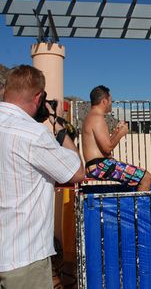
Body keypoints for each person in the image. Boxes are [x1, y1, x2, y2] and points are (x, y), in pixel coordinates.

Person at [0, 65, 85, 289]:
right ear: (38, 97)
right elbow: (76, 172)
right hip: (22, 257)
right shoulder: (33, 134)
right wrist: (59, 127)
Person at [82, 85, 151, 191]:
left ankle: (133, 205)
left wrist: (116, 132)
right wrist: (121, 134)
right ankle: (141, 208)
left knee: (133, 183)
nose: (111, 103)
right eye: (111, 101)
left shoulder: (91, 117)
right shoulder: (97, 118)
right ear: (104, 101)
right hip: (100, 166)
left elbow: (103, 146)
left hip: (97, 165)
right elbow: (107, 148)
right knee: (145, 177)